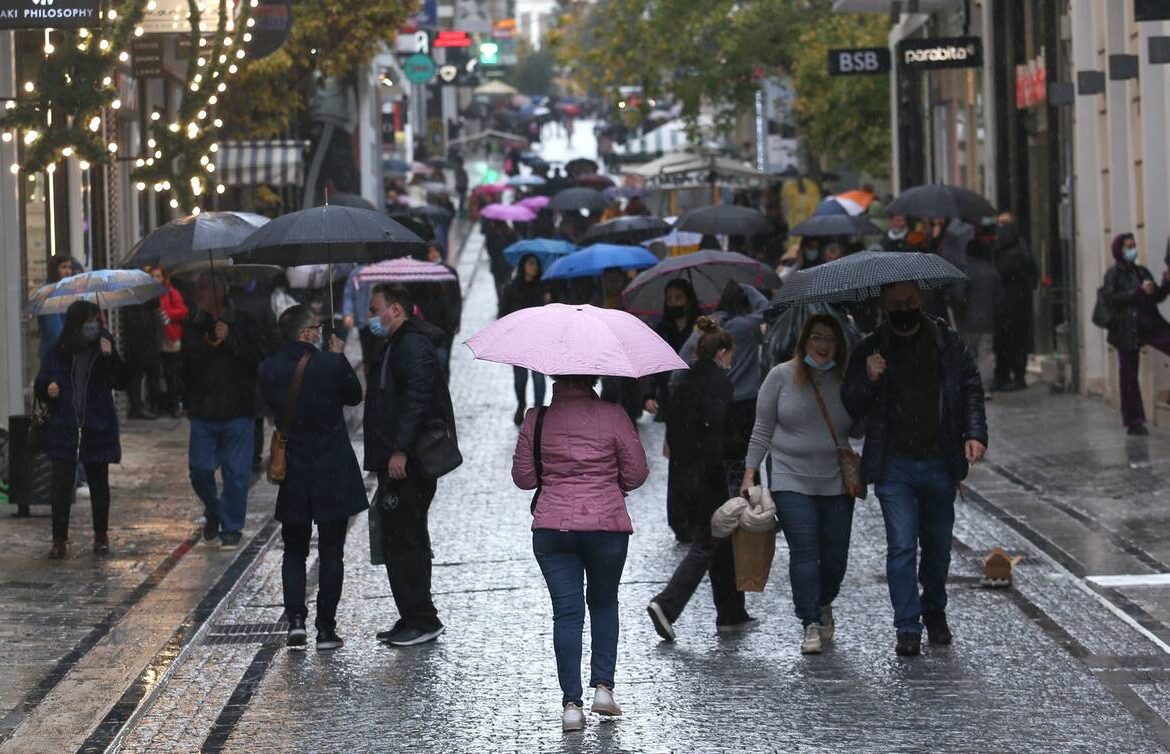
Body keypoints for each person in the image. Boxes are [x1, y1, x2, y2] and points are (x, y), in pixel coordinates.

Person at [842, 282, 987, 657]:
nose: (903, 308)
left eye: (909, 301)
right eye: (895, 303)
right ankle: (907, 624)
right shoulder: (871, 347)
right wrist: (867, 377)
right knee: (902, 546)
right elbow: (852, 405)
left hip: (940, 461)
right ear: (884, 306)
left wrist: (974, 432)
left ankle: (934, 609)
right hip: (894, 465)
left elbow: (970, 385)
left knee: (938, 549)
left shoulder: (945, 340)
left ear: (920, 300)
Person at [512, 374, 649, 732]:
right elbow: (636, 474)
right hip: (606, 528)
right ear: (595, 377)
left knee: (567, 614)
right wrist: (608, 481)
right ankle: (603, 688)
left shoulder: (537, 418)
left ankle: (571, 706)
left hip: (553, 529)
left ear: (555, 376)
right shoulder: (614, 414)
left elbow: (524, 479)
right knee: (604, 603)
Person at [742, 314, 855, 654]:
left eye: (830, 339)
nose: (823, 345)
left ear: (839, 345)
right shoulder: (780, 376)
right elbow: (762, 429)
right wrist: (750, 472)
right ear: (804, 341)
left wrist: (873, 379)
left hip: (836, 481)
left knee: (835, 557)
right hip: (790, 478)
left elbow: (863, 423)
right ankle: (810, 622)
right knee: (805, 551)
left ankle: (823, 602)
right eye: (817, 337)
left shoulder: (847, 379)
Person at [259, 306, 366, 651]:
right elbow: (355, 396)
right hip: (332, 469)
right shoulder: (330, 364)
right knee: (332, 553)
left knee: (294, 551)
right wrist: (338, 357)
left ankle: (295, 621)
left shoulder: (269, 368)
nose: (320, 333)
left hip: (295, 471)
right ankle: (326, 630)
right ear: (305, 333)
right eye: (316, 328)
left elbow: (269, 407)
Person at [648, 318, 754, 641]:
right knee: (709, 542)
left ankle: (731, 614)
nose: (732, 360)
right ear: (722, 352)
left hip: (684, 476)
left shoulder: (682, 381)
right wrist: (739, 443)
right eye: (730, 354)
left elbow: (677, 431)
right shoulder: (719, 384)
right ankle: (666, 604)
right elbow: (718, 435)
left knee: (721, 541)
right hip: (708, 477)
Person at [364, 284, 457, 647]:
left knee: (406, 539)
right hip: (397, 459)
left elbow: (416, 400)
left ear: (396, 309)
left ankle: (422, 619)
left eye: (375, 309)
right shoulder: (396, 344)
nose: (371, 317)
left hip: (409, 462)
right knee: (398, 538)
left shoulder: (412, 346)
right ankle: (411, 615)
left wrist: (400, 450)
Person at [35, 301, 127, 559]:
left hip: (96, 425)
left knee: (99, 484)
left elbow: (122, 381)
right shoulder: (58, 351)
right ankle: (59, 539)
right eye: (87, 321)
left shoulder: (104, 346)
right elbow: (41, 383)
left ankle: (101, 535)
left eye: (95, 320)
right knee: (61, 486)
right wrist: (48, 389)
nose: (92, 326)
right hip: (65, 425)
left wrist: (110, 356)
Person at [182, 271, 265, 549]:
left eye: (203, 288)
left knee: (237, 475)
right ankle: (214, 510)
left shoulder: (244, 322)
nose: (198, 294)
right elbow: (186, 364)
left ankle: (232, 527)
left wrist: (230, 339)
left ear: (219, 292)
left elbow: (257, 360)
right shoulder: (194, 325)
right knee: (200, 469)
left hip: (238, 410)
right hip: (203, 410)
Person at [1099, 233, 1170, 435]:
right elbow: (1111, 299)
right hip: (1127, 328)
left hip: (1150, 323)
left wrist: (1165, 285)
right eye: (1129, 247)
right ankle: (1133, 420)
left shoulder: (1142, 271)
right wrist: (1137, 291)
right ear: (1119, 250)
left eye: (1134, 246)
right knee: (1128, 375)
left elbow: (1157, 296)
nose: (1133, 250)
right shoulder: (1113, 274)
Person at [948, 229, 1002, 396]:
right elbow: (999, 297)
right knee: (986, 353)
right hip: (987, 321)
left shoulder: (964, 271)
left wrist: (957, 308)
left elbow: (959, 296)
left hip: (968, 321)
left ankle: (971, 387)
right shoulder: (991, 270)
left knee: (969, 355)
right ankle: (985, 388)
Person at [499, 254, 549, 425]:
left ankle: (538, 410)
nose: (534, 267)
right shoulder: (512, 288)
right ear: (523, 266)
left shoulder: (543, 288)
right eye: (530, 264)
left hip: (539, 338)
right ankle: (521, 404)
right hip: (518, 339)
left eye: (536, 264)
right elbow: (504, 313)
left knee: (538, 377)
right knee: (520, 378)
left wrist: (549, 300)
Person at [992, 212, 1038, 391]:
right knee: (1013, 342)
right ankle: (1012, 376)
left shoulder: (1006, 249)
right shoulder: (1018, 247)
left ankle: (1009, 376)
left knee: (1010, 342)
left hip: (1010, 303)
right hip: (1015, 302)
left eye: (1004, 223)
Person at [120, 285, 163, 420]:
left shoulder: (143, 302)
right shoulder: (134, 302)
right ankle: (137, 406)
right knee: (137, 375)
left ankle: (145, 405)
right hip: (139, 343)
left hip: (143, 342)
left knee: (145, 374)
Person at [152, 267, 188, 418]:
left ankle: (174, 404)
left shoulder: (171, 292)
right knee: (157, 373)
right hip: (156, 338)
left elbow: (183, 311)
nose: (155, 279)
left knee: (172, 373)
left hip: (170, 337)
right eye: (152, 276)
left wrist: (167, 313)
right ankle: (159, 404)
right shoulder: (150, 295)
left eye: (158, 276)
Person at [37, 255, 75, 366]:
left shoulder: (62, 291)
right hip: (55, 355)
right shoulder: (50, 294)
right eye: (64, 267)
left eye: (70, 267)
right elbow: (55, 331)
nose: (68, 271)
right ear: (54, 269)